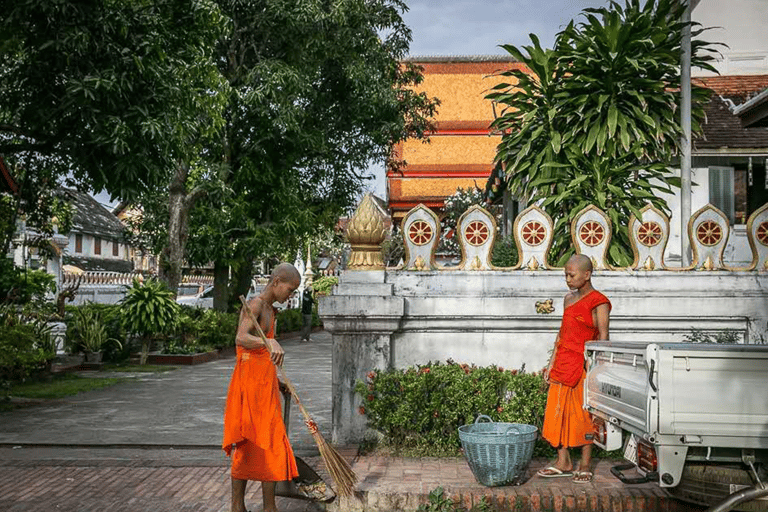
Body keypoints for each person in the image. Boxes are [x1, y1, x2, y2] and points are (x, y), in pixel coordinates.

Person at [222, 263, 301, 512]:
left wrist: (277, 382)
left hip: (265, 388)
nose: (290, 296)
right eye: (290, 289)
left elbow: (259, 355)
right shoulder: (255, 304)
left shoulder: (271, 310)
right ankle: (238, 506)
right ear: (276, 281)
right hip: (248, 389)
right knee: (246, 444)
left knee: (270, 445)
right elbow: (241, 338)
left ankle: (269, 506)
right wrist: (270, 341)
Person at [537, 254, 611, 484]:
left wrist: (597, 369)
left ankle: (586, 464)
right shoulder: (568, 300)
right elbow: (561, 334)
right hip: (563, 363)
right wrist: (550, 365)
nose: (567, 279)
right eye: (565, 275)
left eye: (571, 275)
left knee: (583, 417)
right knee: (556, 414)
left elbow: (604, 337)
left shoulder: (599, 301)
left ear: (586, 275)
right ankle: (564, 462)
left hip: (583, 365)